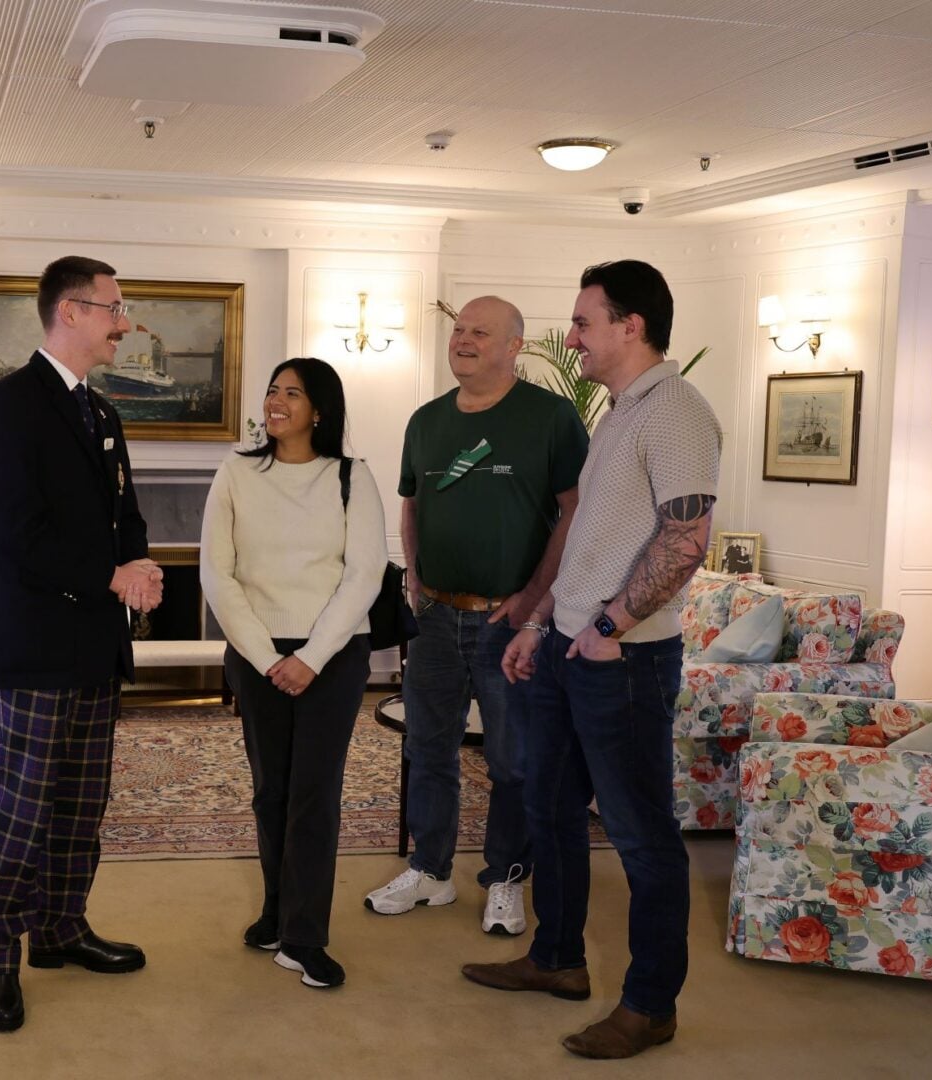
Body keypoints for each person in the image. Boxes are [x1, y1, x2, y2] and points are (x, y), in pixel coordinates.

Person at [461, 261, 721, 1060]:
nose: (570, 340)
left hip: (625, 660)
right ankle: (558, 960)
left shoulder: (675, 411)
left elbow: (687, 537)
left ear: (630, 324)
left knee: (643, 838)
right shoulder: (617, 414)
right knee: (550, 809)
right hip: (572, 649)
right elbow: (588, 537)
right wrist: (540, 622)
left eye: (582, 323)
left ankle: (650, 1006)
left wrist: (611, 623)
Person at [0, 256, 163, 1032]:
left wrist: (142, 566)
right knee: (21, 806)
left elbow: (127, 514)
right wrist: (113, 577)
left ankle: (61, 929)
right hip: (36, 641)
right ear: (72, 311)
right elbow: (19, 536)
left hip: (93, 645)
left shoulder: (102, 414)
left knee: (84, 801)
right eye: (115, 308)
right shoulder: (10, 407)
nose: (124, 322)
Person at [366, 297, 587, 935]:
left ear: (515, 345)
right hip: (434, 618)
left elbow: (575, 511)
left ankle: (505, 878)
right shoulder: (426, 421)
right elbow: (412, 506)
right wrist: (413, 573)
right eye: (458, 329)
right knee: (427, 747)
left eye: (479, 332)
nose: (462, 339)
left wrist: (533, 600)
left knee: (513, 760)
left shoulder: (551, 417)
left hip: (509, 625)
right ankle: (430, 872)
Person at [201, 357, 386, 989]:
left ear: (320, 410)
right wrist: (265, 655)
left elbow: (364, 574)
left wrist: (309, 657)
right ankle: (277, 912)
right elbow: (216, 575)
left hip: (332, 657)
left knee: (313, 795)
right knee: (270, 789)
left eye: (293, 393)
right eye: (272, 389)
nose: (277, 401)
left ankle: (304, 938)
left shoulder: (352, 478)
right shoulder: (235, 472)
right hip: (257, 655)